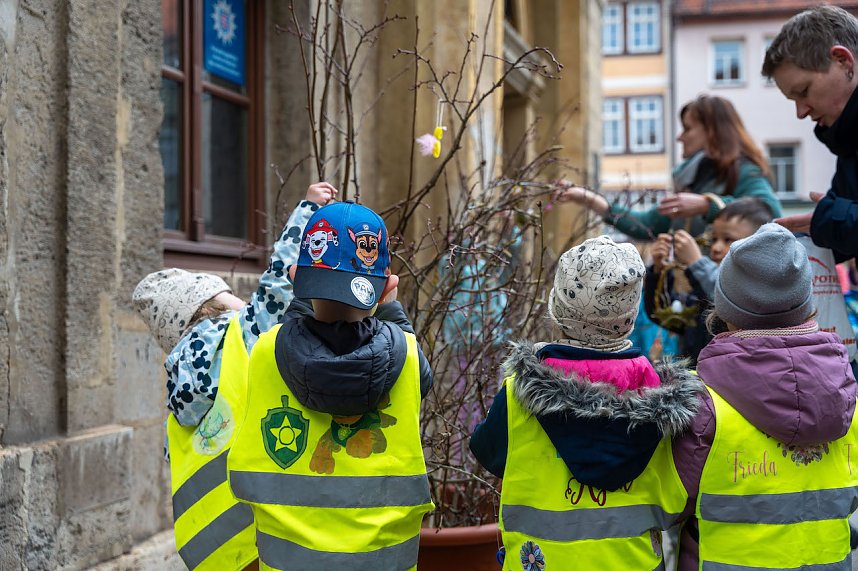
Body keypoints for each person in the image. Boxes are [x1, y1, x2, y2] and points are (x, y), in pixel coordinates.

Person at [131, 182, 337, 571]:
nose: (242, 302)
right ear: (209, 310)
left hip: (215, 543)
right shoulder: (232, 336)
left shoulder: (180, 384)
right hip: (262, 523)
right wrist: (307, 210)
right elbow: (279, 284)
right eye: (229, 297)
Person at [469, 235, 703, 569]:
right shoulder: (665, 397)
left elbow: (488, 453)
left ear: (559, 310)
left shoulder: (518, 393)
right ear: (631, 313)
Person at [226, 201, 434, 569]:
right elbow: (402, 352)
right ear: (388, 285)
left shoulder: (263, 352)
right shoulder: (411, 359)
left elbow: (293, 343)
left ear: (296, 278)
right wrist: (393, 311)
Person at [672, 224, 858, 570]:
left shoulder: (703, 401)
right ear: (807, 305)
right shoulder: (850, 398)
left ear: (726, 312)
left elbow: (672, 501)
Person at [554, 95, 781, 241]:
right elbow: (645, 225)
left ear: (712, 130)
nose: (679, 137)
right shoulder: (695, 179)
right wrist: (587, 198)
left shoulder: (744, 171)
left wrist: (706, 205)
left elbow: (770, 213)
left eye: (688, 128)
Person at [764, 5, 858, 266]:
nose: (801, 112)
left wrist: (830, 220)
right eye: (792, 100)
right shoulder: (847, 142)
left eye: (804, 91)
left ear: (843, 60)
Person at [643, 198, 773, 364]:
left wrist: (697, 264)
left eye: (728, 240)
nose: (715, 248)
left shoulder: (759, 296)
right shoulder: (702, 288)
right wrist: (658, 272)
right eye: (714, 239)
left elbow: (725, 297)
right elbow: (667, 316)